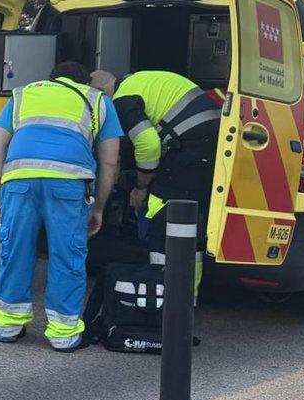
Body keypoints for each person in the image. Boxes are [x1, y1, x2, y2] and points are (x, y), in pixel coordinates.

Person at [0, 61, 122, 351]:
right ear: (84, 81)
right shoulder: (96, 99)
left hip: (19, 180)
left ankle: (9, 325)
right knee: (67, 253)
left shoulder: (23, 94)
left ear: (50, 80)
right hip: (68, 182)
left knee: (15, 250)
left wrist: (3, 187)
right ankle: (64, 334)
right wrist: (98, 207)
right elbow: (111, 161)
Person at [90, 69, 220, 287]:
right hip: (213, 141)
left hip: (190, 146)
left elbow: (148, 144)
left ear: (101, 92)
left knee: (163, 218)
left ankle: (163, 296)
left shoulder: (123, 99)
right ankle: (187, 298)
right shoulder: (139, 81)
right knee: (189, 226)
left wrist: (142, 186)